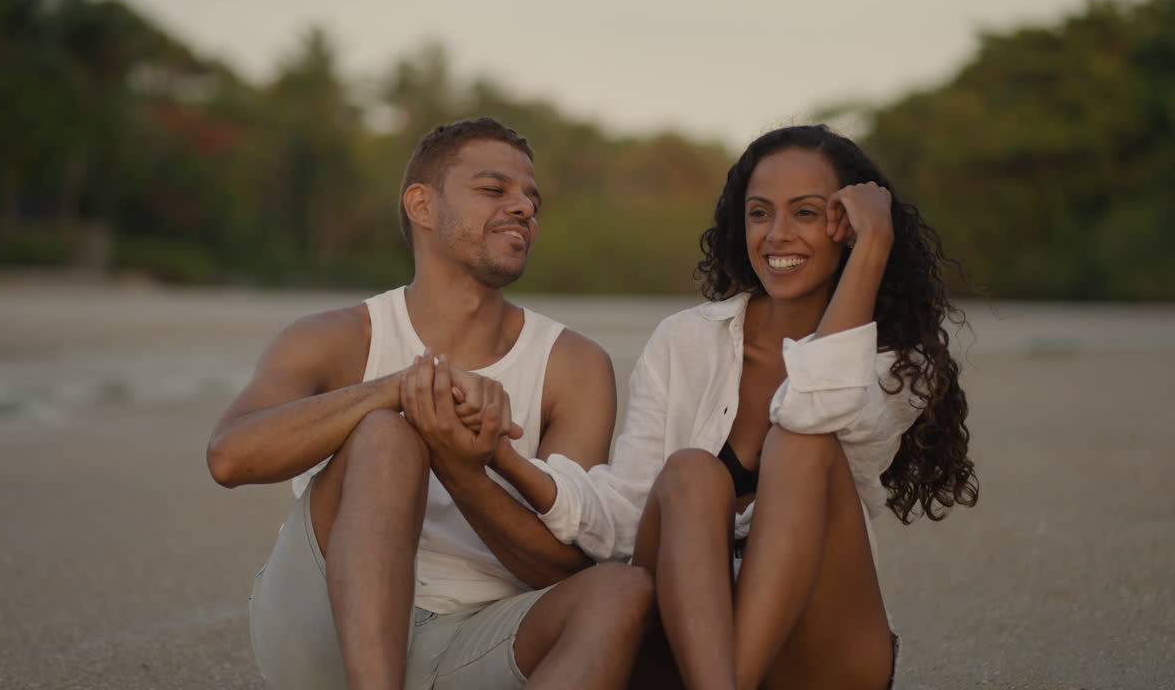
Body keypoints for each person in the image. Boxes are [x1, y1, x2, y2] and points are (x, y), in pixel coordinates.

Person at [494, 125, 979, 689]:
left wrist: (874, 247)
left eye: (805, 213)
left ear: (846, 226)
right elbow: (626, 514)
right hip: (686, 640)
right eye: (758, 213)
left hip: (819, 647)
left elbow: (811, 409)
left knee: (801, 442)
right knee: (691, 471)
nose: (776, 235)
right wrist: (505, 461)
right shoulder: (684, 341)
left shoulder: (897, 363)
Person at [205, 117, 654, 690]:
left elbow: (566, 564)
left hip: (478, 638)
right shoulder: (337, 336)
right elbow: (229, 458)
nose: (522, 208)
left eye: (531, 200)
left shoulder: (574, 364)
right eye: (494, 190)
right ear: (421, 204)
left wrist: (466, 466)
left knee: (621, 589)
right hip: (325, 629)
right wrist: (397, 390)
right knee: (387, 435)